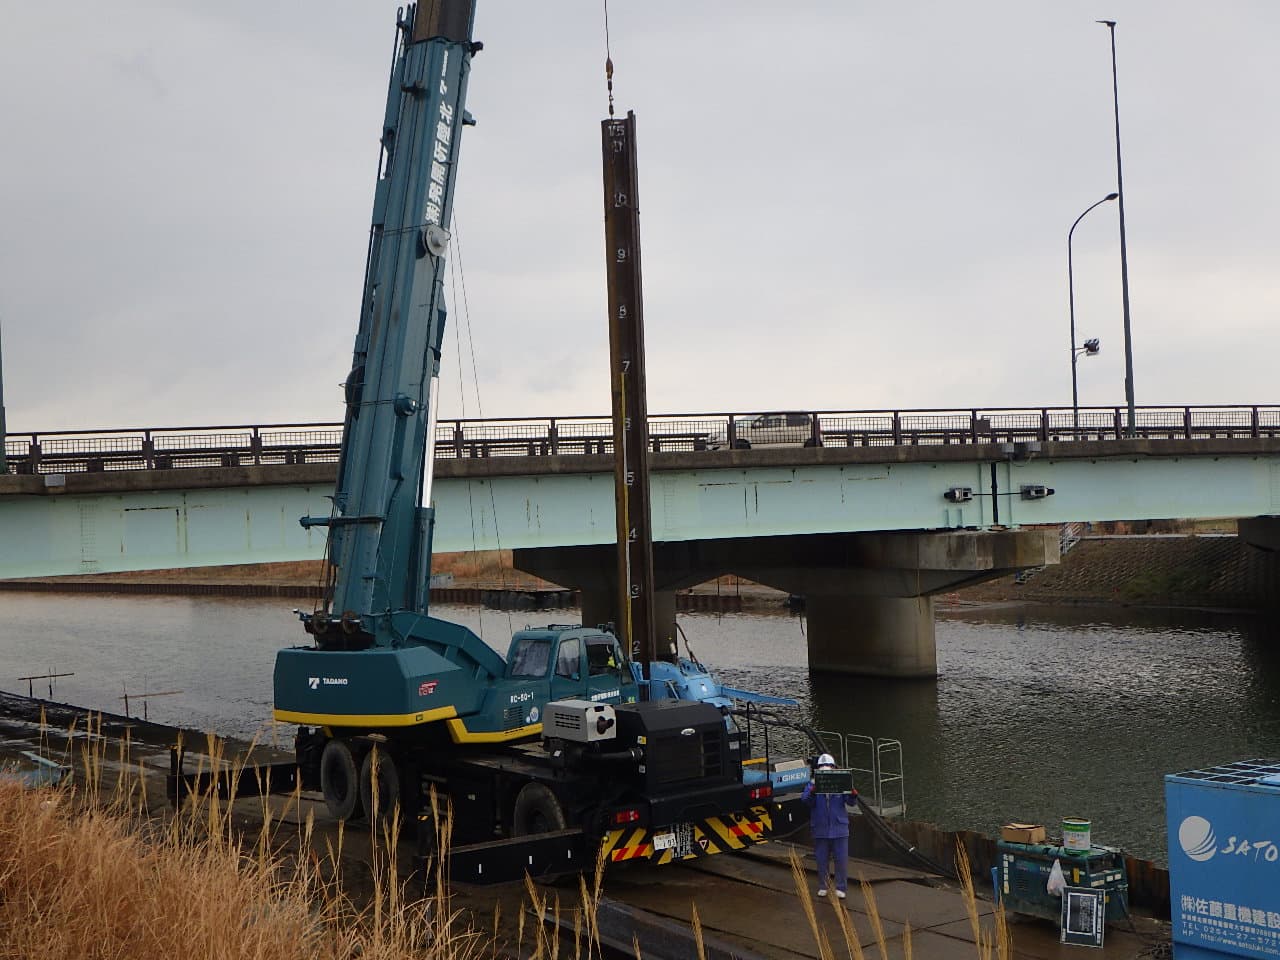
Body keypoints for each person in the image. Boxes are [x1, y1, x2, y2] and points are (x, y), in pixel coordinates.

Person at [801, 753, 859, 899]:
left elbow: (851, 802)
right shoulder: (812, 784)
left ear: (834, 768)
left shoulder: (840, 782)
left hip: (839, 828)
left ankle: (841, 887)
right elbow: (806, 801)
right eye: (822, 767)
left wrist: (852, 793)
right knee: (821, 859)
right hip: (820, 828)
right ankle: (823, 885)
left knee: (841, 859)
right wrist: (814, 791)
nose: (825, 769)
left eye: (828, 767)